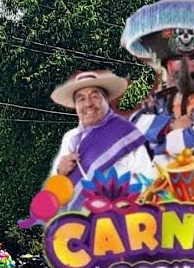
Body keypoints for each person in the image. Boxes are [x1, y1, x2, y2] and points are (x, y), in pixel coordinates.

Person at [123, 0, 194, 165]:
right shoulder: (160, 100)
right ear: (166, 66)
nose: (186, 68)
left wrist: (159, 142)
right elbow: (134, 129)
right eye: (177, 61)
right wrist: (170, 126)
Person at [49, 70, 155, 209]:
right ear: (76, 107)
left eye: (95, 96)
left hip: (120, 215)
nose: (88, 103)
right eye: (81, 99)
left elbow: (147, 179)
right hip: (77, 218)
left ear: (106, 101)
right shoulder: (70, 138)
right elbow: (55, 191)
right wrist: (61, 172)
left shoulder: (125, 133)